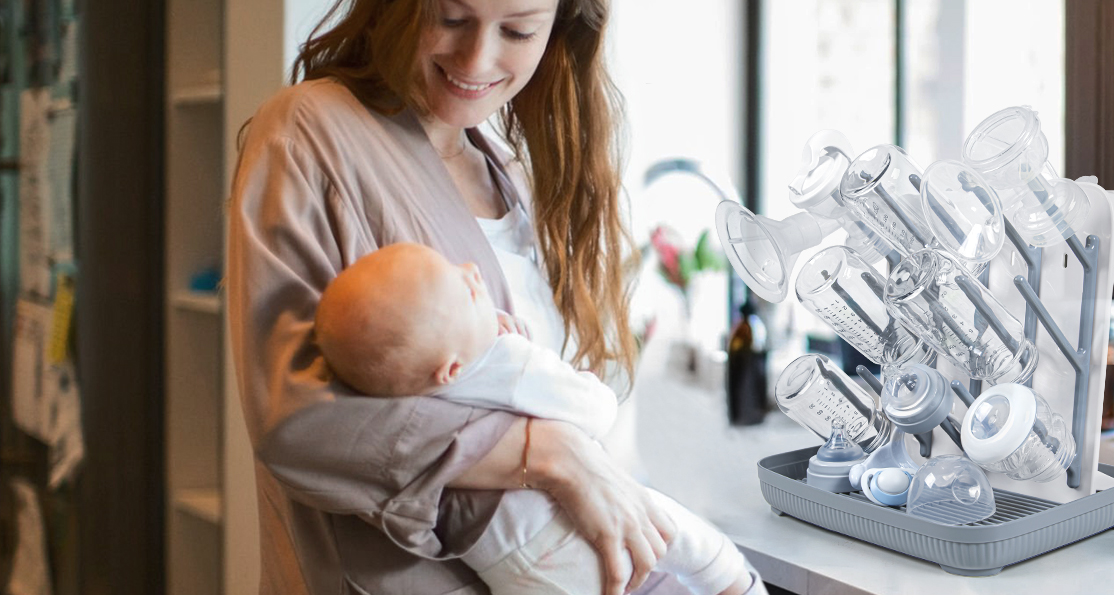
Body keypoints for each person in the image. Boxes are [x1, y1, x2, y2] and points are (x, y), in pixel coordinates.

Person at [228, 0, 736, 593]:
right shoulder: (310, 130)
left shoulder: (510, 175)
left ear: (559, 28)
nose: (477, 58)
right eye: (450, 18)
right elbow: (300, 423)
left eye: (517, 30)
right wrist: (547, 452)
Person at [312, 242, 757, 594]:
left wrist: (483, 322)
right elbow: (596, 413)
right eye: (467, 289)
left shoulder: (413, 398)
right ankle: (737, 588)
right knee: (689, 540)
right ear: (449, 367)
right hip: (564, 526)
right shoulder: (507, 362)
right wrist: (582, 382)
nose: (471, 270)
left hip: (500, 556)